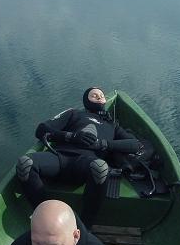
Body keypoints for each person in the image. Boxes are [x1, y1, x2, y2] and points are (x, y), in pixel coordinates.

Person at [16, 86, 142, 226]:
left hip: (85, 163)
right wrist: (71, 136)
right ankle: (45, 217)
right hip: (59, 157)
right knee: (25, 163)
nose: (100, 96)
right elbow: (41, 129)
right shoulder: (74, 114)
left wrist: (103, 144)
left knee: (100, 168)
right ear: (86, 101)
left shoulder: (112, 125)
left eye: (101, 95)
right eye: (94, 95)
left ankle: (85, 227)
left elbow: (135, 144)